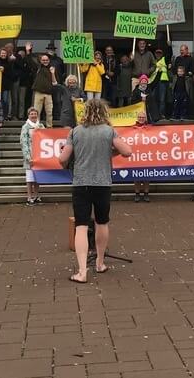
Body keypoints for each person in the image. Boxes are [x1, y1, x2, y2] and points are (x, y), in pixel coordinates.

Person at [57, 99, 133, 283]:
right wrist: (109, 152)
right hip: (103, 183)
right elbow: (127, 151)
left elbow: (62, 159)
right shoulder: (109, 131)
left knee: (81, 226)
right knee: (102, 222)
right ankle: (100, 263)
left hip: (81, 183)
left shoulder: (75, 131)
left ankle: (82, 272)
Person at [20, 107, 44, 206]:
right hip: (30, 156)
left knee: (37, 178)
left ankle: (36, 195)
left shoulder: (41, 125)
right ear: (28, 115)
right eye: (31, 114)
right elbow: (23, 142)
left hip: (39, 156)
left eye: (35, 114)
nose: (33, 115)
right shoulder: (25, 127)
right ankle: (29, 197)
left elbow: (47, 137)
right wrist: (28, 157)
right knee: (30, 179)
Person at [28, 46, 57, 128]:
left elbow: (54, 83)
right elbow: (31, 60)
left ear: (49, 60)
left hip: (48, 94)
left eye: (47, 60)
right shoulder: (38, 67)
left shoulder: (52, 69)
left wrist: (53, 73)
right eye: (43, 60)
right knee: (37, 112)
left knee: (49, 112)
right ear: (40, 61)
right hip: (38, 93)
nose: (45, 61)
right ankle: (36, 127)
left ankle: (49, 127)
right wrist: (28, 51)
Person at [132, 110, 152, 203]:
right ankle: (137, 194)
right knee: (136, 176)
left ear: (145, 118)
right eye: (140, 117)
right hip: (136, 154)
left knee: (146, 176)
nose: (141, 119)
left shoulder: (150, 128)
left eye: (143, 117)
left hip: (146, 154)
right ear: (137, 118)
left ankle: (146, 193)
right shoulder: (132, 128)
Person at [13, 47, 33, 120]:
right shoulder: (14, 61)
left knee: (22, 100)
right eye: (19, 54)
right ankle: (14, 115)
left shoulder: (27, 61)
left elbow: (28, 70)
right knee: (15, 100)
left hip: (23, 83)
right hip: (15, 82)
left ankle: (21, 116)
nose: (21, 55)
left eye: (23, 53)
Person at [149, 48, 169, 121]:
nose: (158, 54)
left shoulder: (164, 59)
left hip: (162, 82)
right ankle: (154, 114)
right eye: (157, 53)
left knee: (162, 99)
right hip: (153, 82)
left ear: (162, 54)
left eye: (160, 53)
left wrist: (169, 45)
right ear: (155, 54)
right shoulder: (153, 61)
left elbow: (169, 54)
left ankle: (161, 115)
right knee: (153, 99)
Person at [0, 47, 14, 118]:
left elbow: (12, 74)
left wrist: (4, 70)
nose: (3, 55)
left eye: (4, 53)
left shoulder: (9, 63)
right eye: (2, 53)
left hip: (6, 85)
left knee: (5, 101)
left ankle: (5, 115)